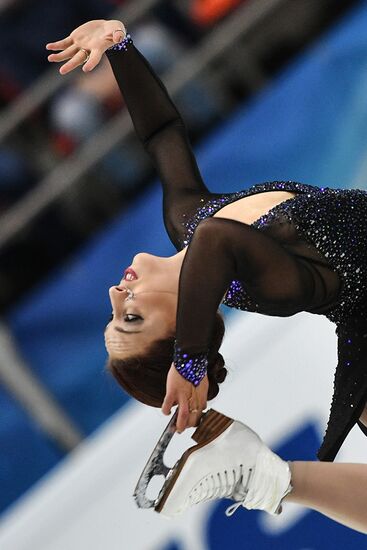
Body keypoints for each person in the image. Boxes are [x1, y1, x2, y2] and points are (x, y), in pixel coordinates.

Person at [46, 19, 367, 533]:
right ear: (180, 325)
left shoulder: (185, 222)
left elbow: (161, 133)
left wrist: (119, 47)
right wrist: (188, 361)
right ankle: (271, 479)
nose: (115, 291)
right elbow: (220, 242)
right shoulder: (258, 284)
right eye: (130, 317)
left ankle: (272, 478)